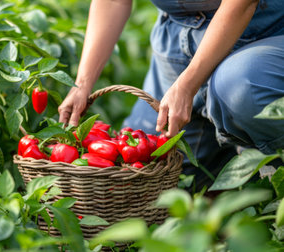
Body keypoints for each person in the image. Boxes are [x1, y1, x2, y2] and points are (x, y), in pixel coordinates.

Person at [58, 0, 284, 188]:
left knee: (242, 88)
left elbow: (241, 4)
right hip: (177, 49)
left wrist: (187, 85)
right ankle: (225, 161)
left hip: (261, 36)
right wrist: (82, 84)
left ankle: (271, 174)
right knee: (144, 177)